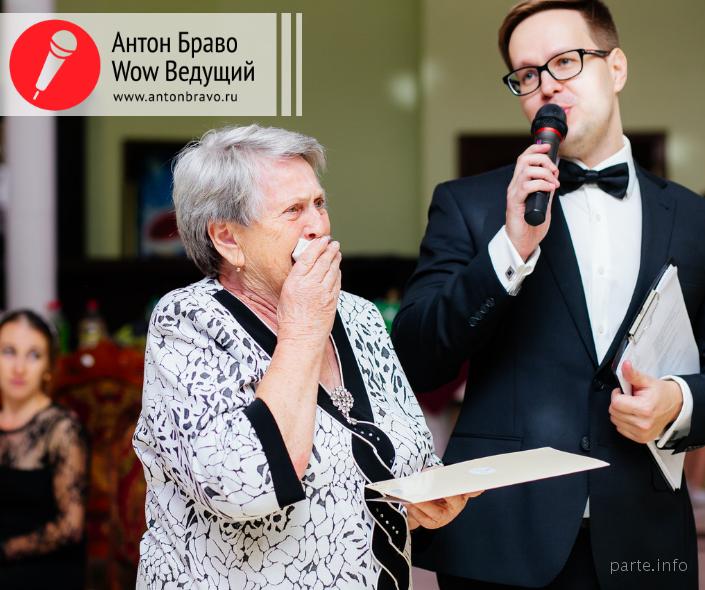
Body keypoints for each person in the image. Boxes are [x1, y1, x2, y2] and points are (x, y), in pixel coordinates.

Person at [391, 1, 705, 589]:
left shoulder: (694, 219)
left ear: (616, 68)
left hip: (644, 542)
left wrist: (679, 403)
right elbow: (414, 356)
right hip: (501, 538)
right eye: (528, 74)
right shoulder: (469, 205)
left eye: (566, 61)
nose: (546, 86)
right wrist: (510, 248)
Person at [132, 124, 477, 590]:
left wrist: (421, 500)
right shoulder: (187, 322)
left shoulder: (358, 315)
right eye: (293, 210)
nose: (318, 225)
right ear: (228, 238)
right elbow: (243, 485)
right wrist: (302, 328)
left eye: (319, 203)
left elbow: (410, 457)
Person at [0, 310, 89, 590]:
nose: (19, 368)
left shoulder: (62, 429)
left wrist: (4, 550)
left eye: (34, 355)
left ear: (48, 367)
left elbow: (71, 527)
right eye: (9, 352)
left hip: (43, 570)